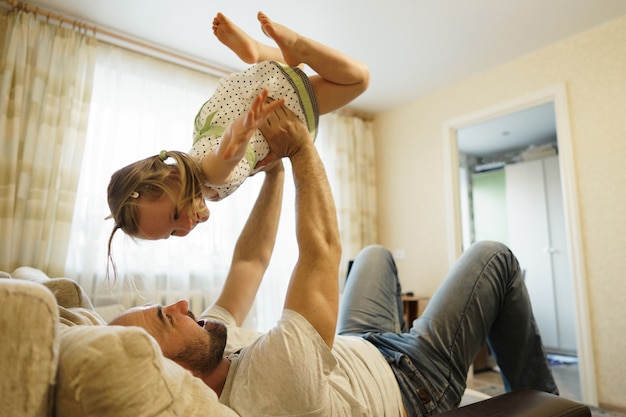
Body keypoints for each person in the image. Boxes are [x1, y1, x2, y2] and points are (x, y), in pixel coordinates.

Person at [110, 105, 559, 416]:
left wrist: (275, 172)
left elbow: (250, 261)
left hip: (355, 347)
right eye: (168, 320)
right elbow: (321, 250)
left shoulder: (208, 348)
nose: (183, 306)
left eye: (165, 306)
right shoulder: (267, 387)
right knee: (493, 256)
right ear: (175, 372)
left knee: (374, 256)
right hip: (414, 380)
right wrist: (301, 149)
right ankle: (553, 407)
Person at [105, 11, 369, 241]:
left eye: (175, 214)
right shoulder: (203, 183)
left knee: (358, 79)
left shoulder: (209, 176)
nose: (185, 227)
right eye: (173, 233)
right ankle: (258, 52)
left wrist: (243, 129)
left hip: (273, 110)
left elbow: (226, 155)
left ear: (175, 177)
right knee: (294, 66)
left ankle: (298, 46)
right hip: (247, 104)